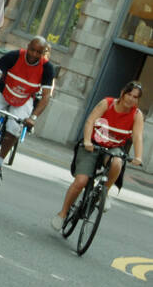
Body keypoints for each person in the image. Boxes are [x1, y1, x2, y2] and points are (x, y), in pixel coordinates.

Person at [51, 81, 145, 228]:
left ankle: (105, 192)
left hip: (113, 148)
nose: (131, 99)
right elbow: (90, 122)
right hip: (93, 144)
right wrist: (88, 141)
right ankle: (62, 214)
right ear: (122, 93)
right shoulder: (106, 103)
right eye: (129, 94)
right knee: (81, 181)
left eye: (135, 97)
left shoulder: (137, 115)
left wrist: (138, 157)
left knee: (117, 162)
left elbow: (138, 136)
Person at [0, 36, 55, 178]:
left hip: (24, 98)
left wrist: (33, 117)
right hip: (3, 91)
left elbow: (45, 97)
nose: (33, 54)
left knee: (14, 128)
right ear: (27, 46)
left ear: (43, 53)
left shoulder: (47, 68)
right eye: (31, 50)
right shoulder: (13, 56)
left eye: (38, 52)